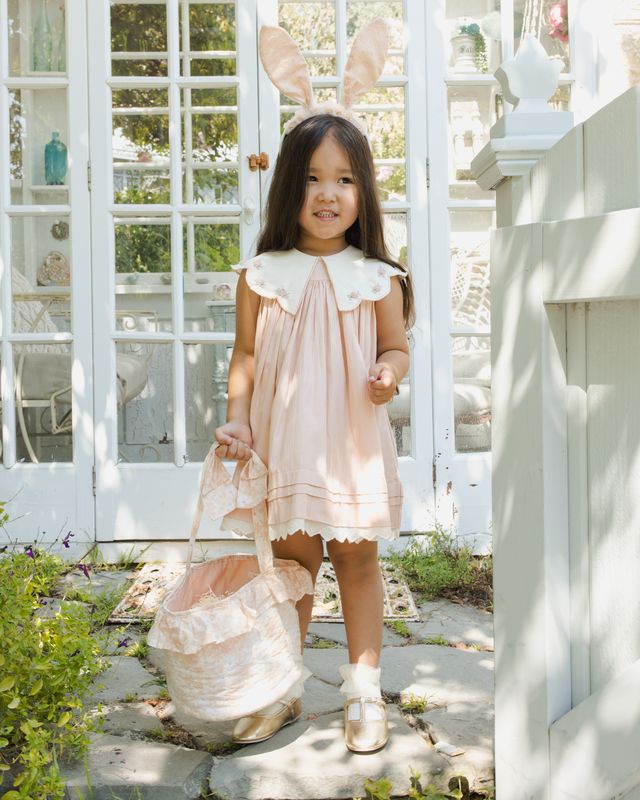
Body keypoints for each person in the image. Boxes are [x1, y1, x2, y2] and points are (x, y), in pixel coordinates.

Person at [213, 21, 415, 755]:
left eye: (345, 178)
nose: (327, 194)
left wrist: (389, 372)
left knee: (357, 559)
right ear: (286, 185)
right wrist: (238, 418)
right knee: (293, 568)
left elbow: (396, 345)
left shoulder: (377, 277)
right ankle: (282, 683)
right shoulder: (261, 274)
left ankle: (363, 690)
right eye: (311, 178)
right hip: (289, 447)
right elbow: (243, 357)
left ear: (363, 188)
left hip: (353, 444)